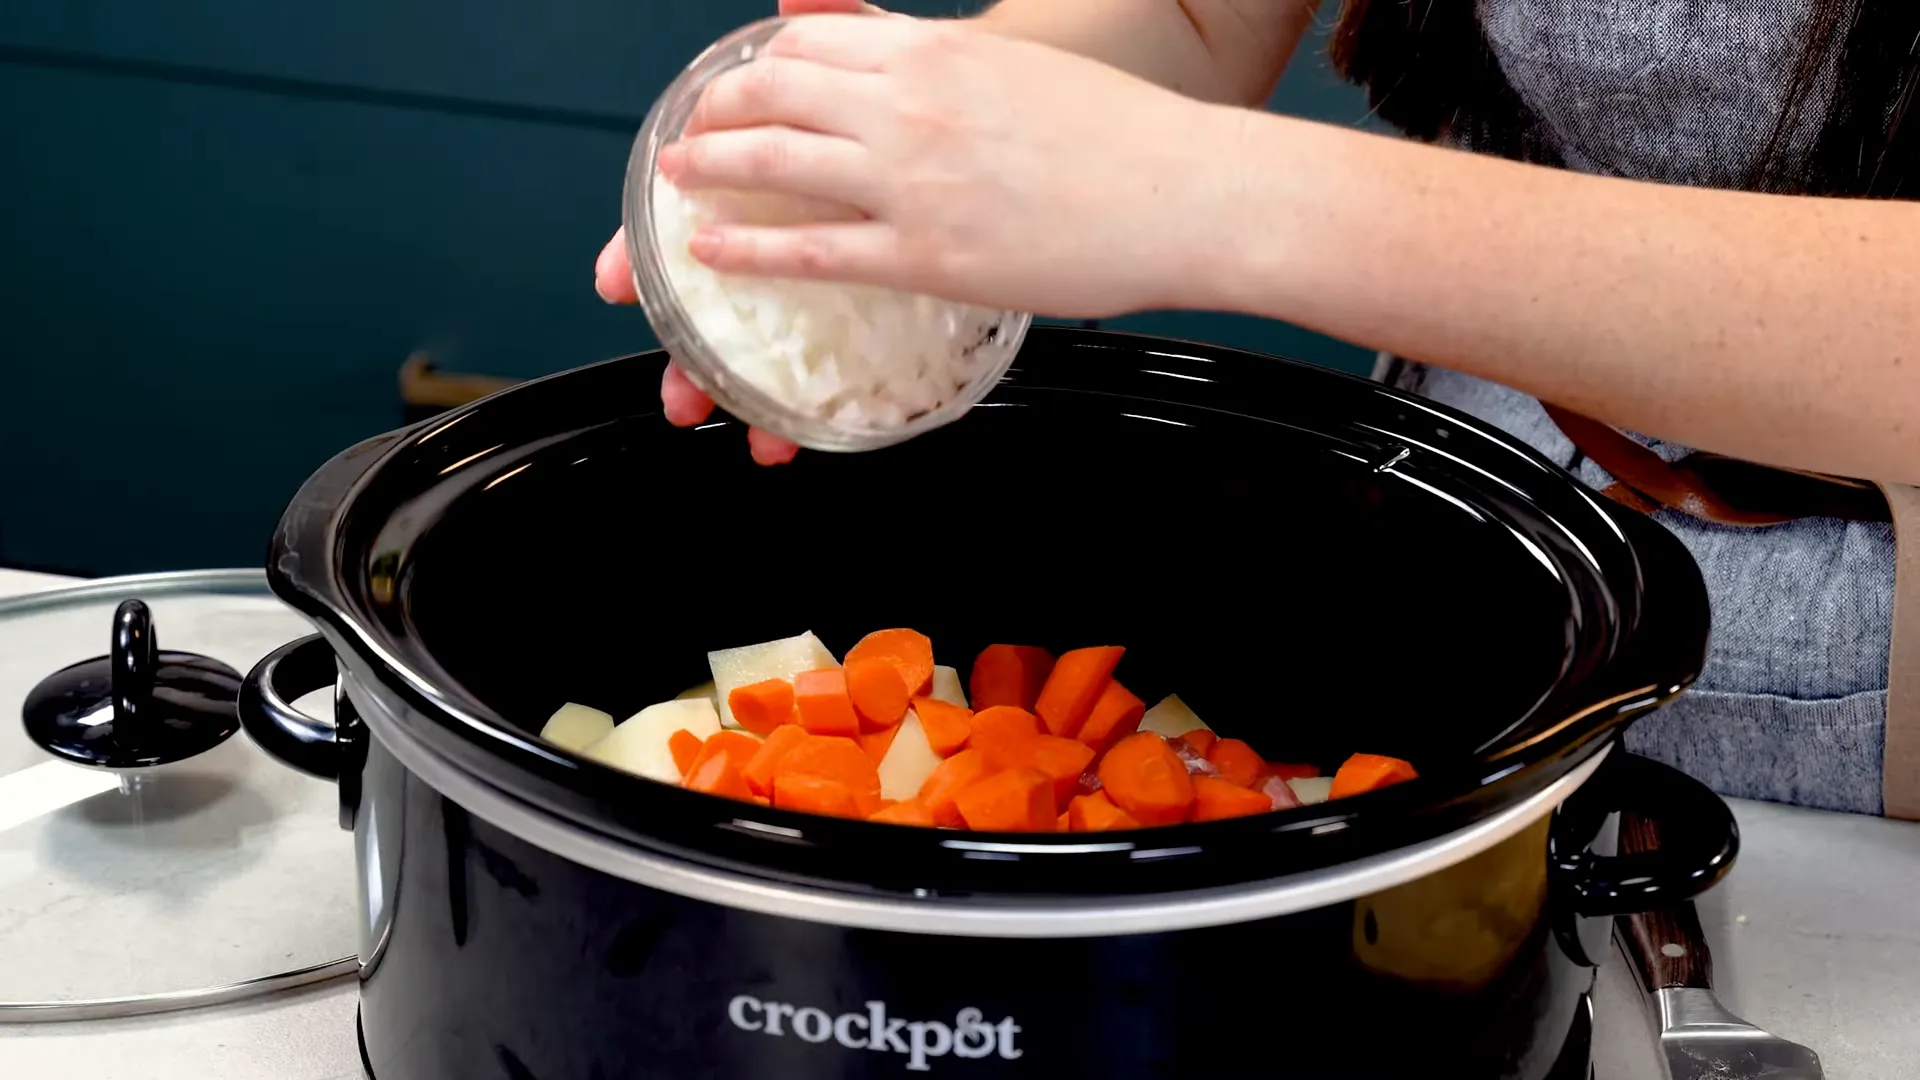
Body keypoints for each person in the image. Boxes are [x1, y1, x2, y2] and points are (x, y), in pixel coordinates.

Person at [592, 0, 1920, 817]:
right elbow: (1200, 9)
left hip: (1873, 747)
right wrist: (900, 145)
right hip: (1468, 559)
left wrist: (1223, 198)